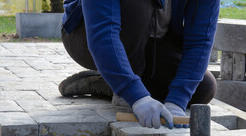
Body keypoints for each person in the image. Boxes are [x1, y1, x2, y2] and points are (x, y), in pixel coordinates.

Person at [59, 0, 220, 129]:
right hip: (87, 34)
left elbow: (199, 41)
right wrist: (137, 97)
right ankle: (123, 84)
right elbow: (103, 33)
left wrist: (177, 101)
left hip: (151, 41)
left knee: (203, 88)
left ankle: (111, 80)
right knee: (139, 3)